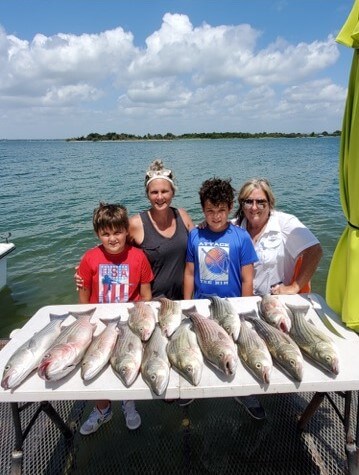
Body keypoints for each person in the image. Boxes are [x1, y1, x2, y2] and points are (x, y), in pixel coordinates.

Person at [78, 202, 154, 435]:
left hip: (128, 321)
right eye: (105, 233)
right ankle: (102, 409)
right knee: (96, 366)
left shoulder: (138, 257)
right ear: (97, 234)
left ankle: (128, 403)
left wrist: (141, 319)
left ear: (126, 231)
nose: (112, 238)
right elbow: (83, 294)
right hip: (99, 322)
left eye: (117, 232)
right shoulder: (90, 258)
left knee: (127, 360)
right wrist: (87, 322)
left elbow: (145, 294)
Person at [232, 178, 323, 296]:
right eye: (249, 202)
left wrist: (294, 287)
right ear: (242, 205)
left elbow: (315, 250)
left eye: (260, 202)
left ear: (270, 203)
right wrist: (204, 226)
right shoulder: (233, 227)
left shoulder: (285, 223)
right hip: (243, 299)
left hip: (276, 301)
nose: (254, 207)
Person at [128, 159, 194, 299]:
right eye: (154, 192)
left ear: (173, 193)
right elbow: (114, 244)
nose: (159, 197)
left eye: (164, 191)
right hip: (151, 300)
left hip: (182, 298)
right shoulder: (135, 224)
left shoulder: (182, 216)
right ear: (147, 195)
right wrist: (89, 265)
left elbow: (201, 244)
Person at [183, 177, 257, 300]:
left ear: (230, 207)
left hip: (233, 304)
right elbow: (189, 273)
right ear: (202, 209)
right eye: (210, 211)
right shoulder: (194, 235)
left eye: (221, 210)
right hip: (201, 303)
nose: (216, 216)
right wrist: (187, 304)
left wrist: (245, 307)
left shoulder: (242, 237)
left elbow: (247, 279)